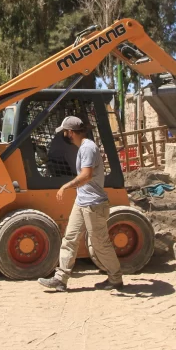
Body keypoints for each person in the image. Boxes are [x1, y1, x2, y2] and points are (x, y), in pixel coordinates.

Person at [38, 116, 123, 292]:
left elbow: (86, 175)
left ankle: (115, 278)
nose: (64, 135)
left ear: (70, 133)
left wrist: (66, 185)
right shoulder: (82, 148)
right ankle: (60, 279)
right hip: (82, 201)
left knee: (100, 244)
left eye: (64, 132)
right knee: (69, 238)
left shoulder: (88, 148)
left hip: (94, 204)